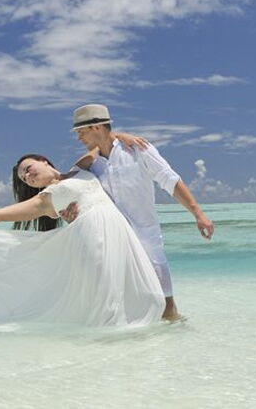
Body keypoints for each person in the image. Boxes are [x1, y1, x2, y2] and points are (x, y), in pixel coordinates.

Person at [0, 153, 164, 328]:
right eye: (24, 178)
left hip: (118, 231)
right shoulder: (47, 198)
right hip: (93, 235)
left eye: (28, 169)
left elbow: (101, 143)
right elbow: (2, 214)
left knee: (143, 291)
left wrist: (126, 137)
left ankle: (136, 339)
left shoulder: (80, 168)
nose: (27, 176)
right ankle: (108, 349)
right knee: (106, 294)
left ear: (44, 161)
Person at [66, 104, 213, 321]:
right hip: (114, 241)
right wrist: (115, 136)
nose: (78, 137)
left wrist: (198, 214)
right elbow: (71, 176)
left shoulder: (137, 149)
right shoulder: (92, 164)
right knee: (123, 305)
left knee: (166, 306)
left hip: (147, 237)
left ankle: (176, 337)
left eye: (81, 131)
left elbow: (170, 180)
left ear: (97, 127)